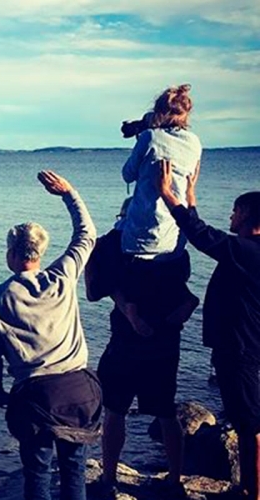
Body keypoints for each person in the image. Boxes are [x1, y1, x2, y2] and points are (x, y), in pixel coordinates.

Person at [92, 85, 203, 500]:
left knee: (116, 406)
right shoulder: (194, 141)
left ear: (159, 112)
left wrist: (145, 131)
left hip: (138, 246)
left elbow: (127, 174)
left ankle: (108, 479)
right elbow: (189, 179)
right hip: (173, 248)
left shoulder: (149, 138)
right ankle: (175, 479)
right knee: (166, 406)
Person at [0, 170, 101, 500]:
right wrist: (69, 193)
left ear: (13, 254)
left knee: (37, 472)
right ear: (39, 253)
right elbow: (87, 234)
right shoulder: (63, 276)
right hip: (80, 392)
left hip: (36, 398)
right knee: (74, 469)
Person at [158, 159, 260, 500]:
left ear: (249, 218)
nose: (231, 217)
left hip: (241, 351)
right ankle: (246, 487)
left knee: (250, 426)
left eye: (235, 212)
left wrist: (169, 197)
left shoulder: (248, 252)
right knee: (246, 422)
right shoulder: (248, 252)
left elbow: (203, 236)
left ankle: (253, 492)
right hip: (242, 348)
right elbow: (207, 234)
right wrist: (190, 195)